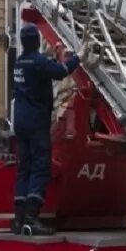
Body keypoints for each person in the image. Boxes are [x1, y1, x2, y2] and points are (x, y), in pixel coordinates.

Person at [12, 23, 82, 236]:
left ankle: (19, 220)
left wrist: (50, 56)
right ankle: (32, 219)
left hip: (21, 123)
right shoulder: (38, 62)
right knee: (41, 167)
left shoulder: (19, 63)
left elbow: (41, 67)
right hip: (36, 123)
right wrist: (79, 57)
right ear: (36, 41)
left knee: (24, 168)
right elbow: (61, 71)